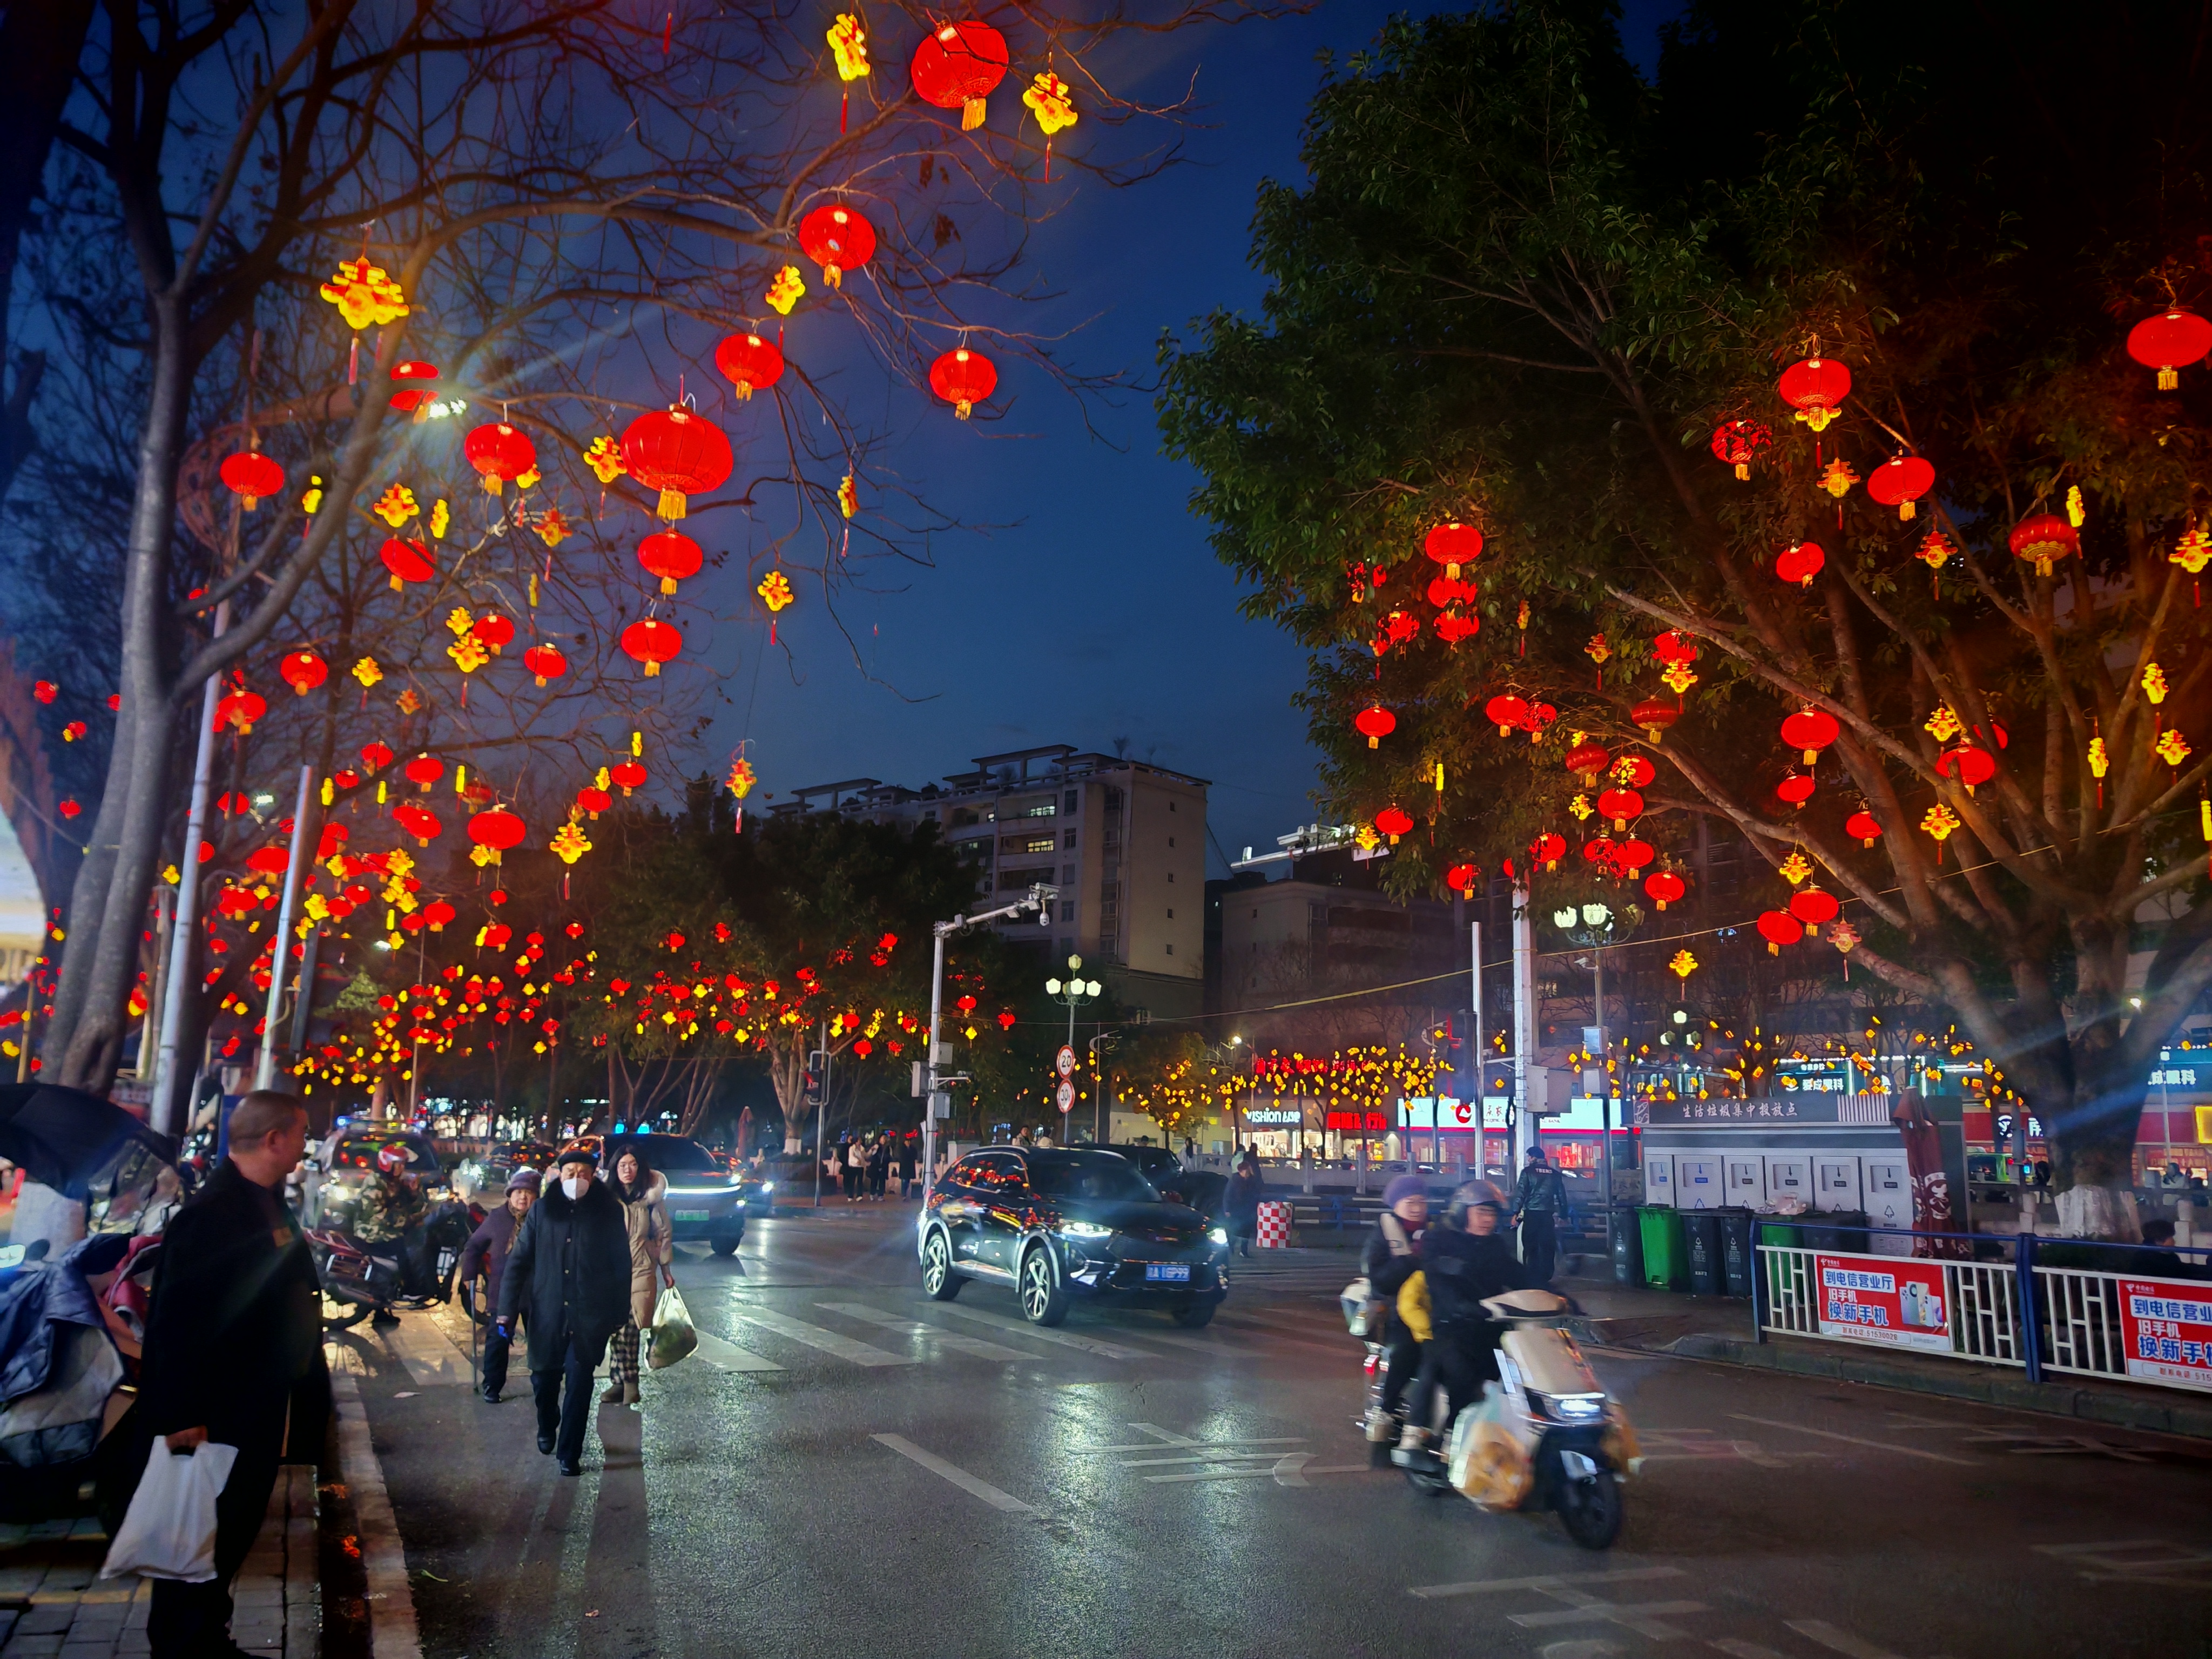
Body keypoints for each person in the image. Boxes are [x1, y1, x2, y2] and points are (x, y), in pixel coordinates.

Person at [138, 1090, 330, 1659]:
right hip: (215, 1412)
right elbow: (175, 1322)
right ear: (274, 1140)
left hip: (255, 1404)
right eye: (299, 1134)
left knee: (232, 1527)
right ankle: (182, 1644)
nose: (305, 1146)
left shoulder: (265, 1201)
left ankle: (207, 1635)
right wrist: (181, 1415)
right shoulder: (212, 1214)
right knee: (198, 1530)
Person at [496, 1147, 630, 1476]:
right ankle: (547, 1423)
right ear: (560, 1175)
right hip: (548, 1314)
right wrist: (505, 1311)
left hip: (590, 1316)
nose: (577, 1179)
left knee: (581, 1384)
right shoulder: (543, 1211)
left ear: (593, 1177)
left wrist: (619, 1312)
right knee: (544, 1379)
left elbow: (621, 1265)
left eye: (584, 1173)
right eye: (571, 1173)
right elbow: (518, 1262)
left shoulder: (609, 1212)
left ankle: (570, 1454)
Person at [1395, 1181, 1535, 1464]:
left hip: (1491, 1326)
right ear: (1462, 1212)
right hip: (1451, 1326)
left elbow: (1517, 1275)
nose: (1488, 1220)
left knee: (1520, 1377)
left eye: (1493, 1215)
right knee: (1464, 1375)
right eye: (1482, 1212)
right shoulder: (1439, 1241)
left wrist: (1556, 1295)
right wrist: (1464, 1307)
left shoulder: (1493, 1244)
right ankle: (1447, 1439)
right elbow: (1440, 1285)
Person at [457, 1168, 539, 1404]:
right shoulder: (497, 1218)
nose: (523, 1197)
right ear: (510, 1194)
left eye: (529, 1193)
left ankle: (541, 1385)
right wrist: (469, 1274)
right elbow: (474, 1246)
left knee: (540, 1339)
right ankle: (492, 1386)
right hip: (503, 1292)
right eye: (519, 1192)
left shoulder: (542, 1219)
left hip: (536, 1291)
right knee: (499, 1338)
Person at [1360, 1175, 1429, 1442]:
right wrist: (1411, 1260)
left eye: (1421, 1201)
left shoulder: (1435, 1230)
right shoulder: (1383, 1234)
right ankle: (1385, 1409)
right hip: (1395, 1311)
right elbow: (1378, 1280)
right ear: (1395, 1204)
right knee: (1406, 1351)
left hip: (1432, 1306)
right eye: (1410, 1202)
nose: (1417, 1207)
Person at [605, 1148, 673, 1408]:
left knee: (630, 1328)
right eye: (623, 1164)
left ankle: (630, 1383)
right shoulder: (607, 1199)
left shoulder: (651, 1200)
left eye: (633, 1164)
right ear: (616, 1168)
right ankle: (618, 1382)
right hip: (611, 1271)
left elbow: (664, 1233)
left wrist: (665, 1269)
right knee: (614, 1328)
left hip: (642, 1268)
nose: (627, 1169)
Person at [1510, 1146, 1567, 1285]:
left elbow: (1520, 1194)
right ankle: (1546, 1276)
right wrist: (1563, 1215)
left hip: (1531, 1215)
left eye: (1529, 1157)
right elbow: (1562, 1196)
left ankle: (1532, 1275)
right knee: (1547, 1246)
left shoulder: (1528, 1172)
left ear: (1534, 1157)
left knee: (1531, 1246)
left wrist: (1515, 1213)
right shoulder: (1554, 1174)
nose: (1529, 1159)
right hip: (1547, 1216)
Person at [1224, 1148, 1266, 1258]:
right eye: (1247, 1171)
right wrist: (1227, 1210)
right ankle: (1231, 1248)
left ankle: (1244, 1250)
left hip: (1248, 1209)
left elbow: (1256, 1192)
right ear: (1241, 1171)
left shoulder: (1252, 1181)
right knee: (1235, 1230)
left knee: (1246, 1231)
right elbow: (1228, 1196)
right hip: (1237, 1210)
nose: (1248, 1172)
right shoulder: (1234, 1180)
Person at [2127, 1218, 2194, 1278]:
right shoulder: (2144, 1262)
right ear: (2160, 1240)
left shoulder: (2170, 1256)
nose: (2174, 1241)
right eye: (2171, 1238)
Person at [897, 1136, 918, 1200]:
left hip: (910, 1167)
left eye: (909, 1141)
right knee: (904, 1181)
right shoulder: (902, 1149)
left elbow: (915, 1156)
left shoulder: (913, 1149)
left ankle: (905, 1193)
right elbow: (901, 1157)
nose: (908, 1143)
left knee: (908, 1181)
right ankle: (904, 1194)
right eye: (907, 1141)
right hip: (904, 1166)